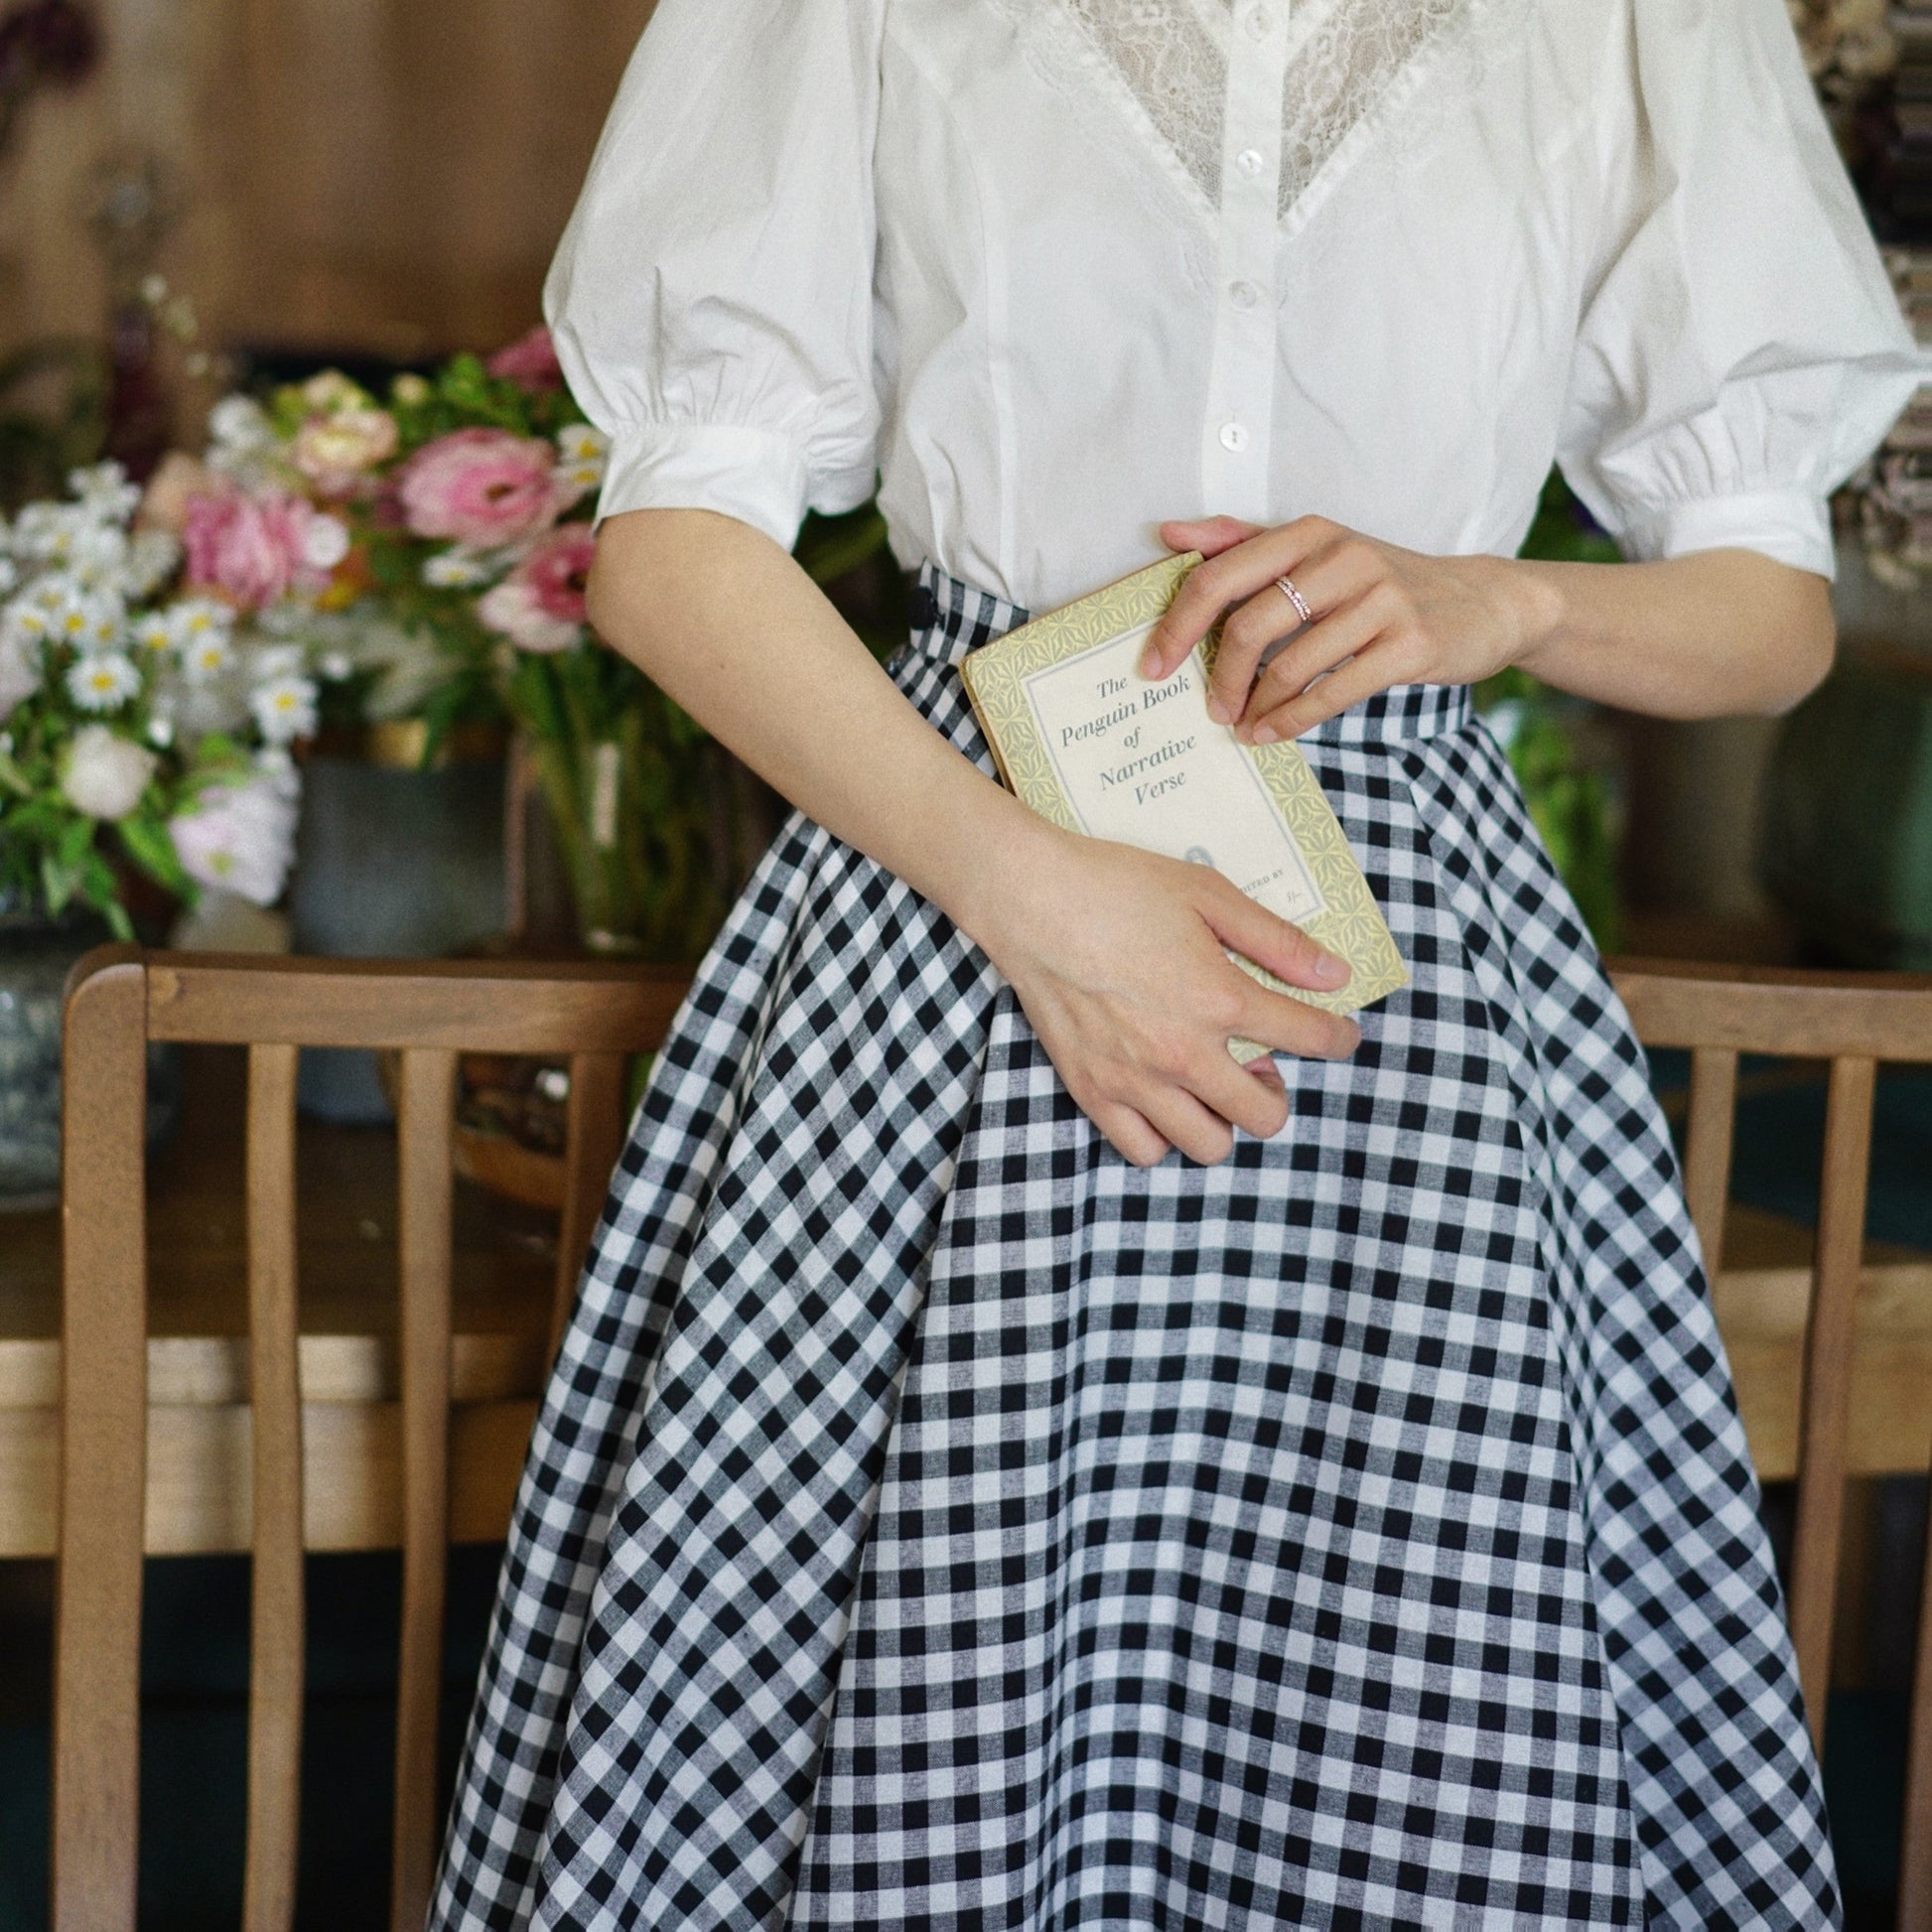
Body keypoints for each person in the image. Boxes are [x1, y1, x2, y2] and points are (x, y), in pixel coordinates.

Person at [430, 0, 1925, 1924]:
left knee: (1408, 1708)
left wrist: (1508, 594)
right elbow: (668, 541)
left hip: (1403, 1029)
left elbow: (1766, 607)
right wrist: (1026, 893)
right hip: (945, 926)